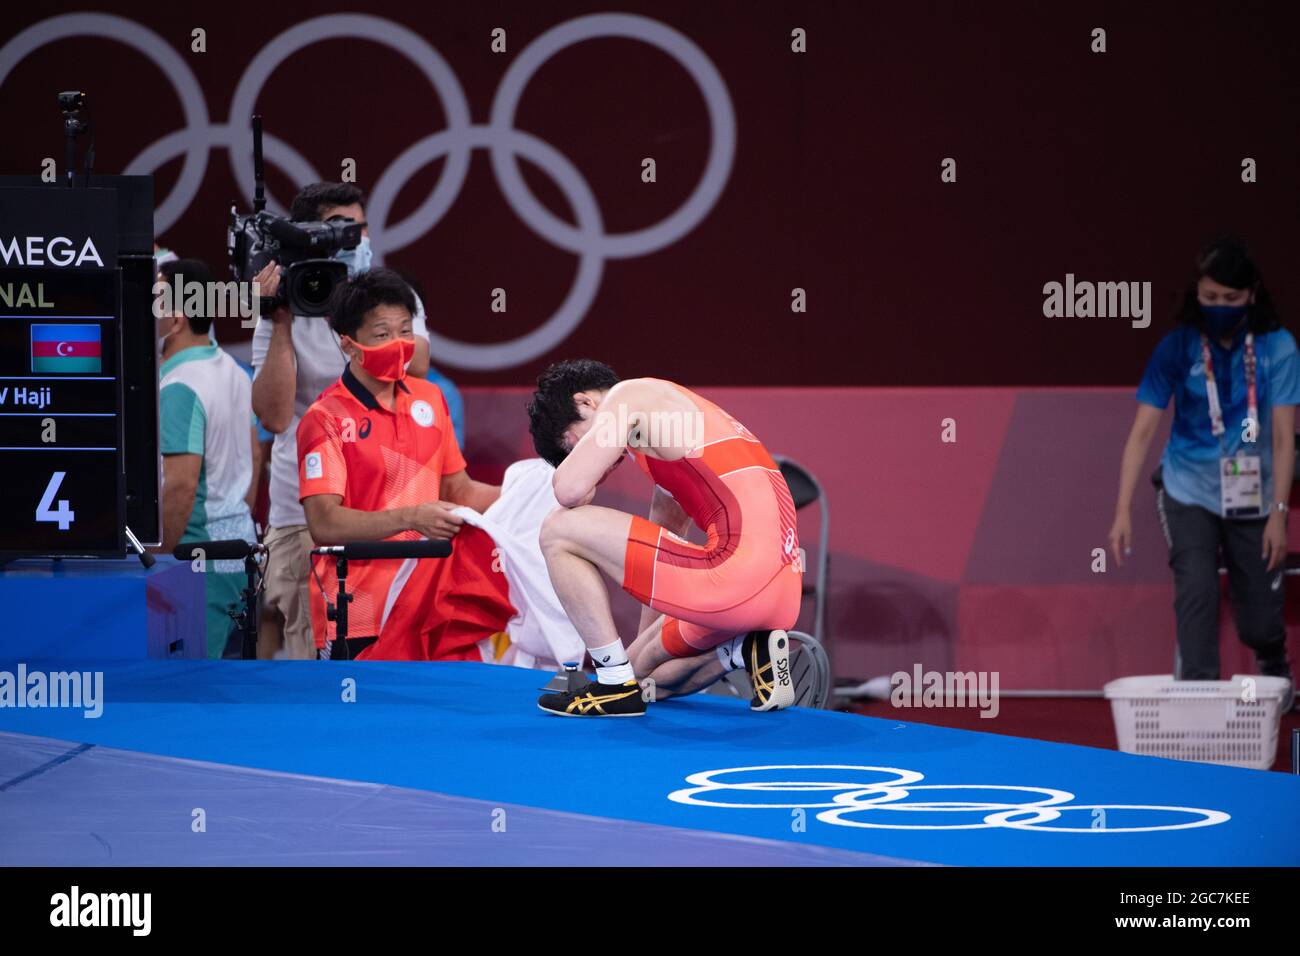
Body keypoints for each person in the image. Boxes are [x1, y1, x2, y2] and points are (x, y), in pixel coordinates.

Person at [526, 360, 803, 717]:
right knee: (644, 679)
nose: (602, 462)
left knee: (557, 528)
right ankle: (744, 651)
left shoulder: (630, 395)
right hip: (779, 593)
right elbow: (667, 537)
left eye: (575, 445)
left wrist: (583, 486)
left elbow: (569, 490)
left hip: (737, 580)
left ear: (584, 403)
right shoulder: (670, 424)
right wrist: (641, 656)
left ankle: (612, 683)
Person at [1109, 236, 1298, 698]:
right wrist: (1121, 509)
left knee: (1258, 619)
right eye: (1210, 297)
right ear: (1197, 293)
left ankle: (1273, 657)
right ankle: (1199, 702)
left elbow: (1281, 436)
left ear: (1252, 294)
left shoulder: (1278, 348)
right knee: (1196, 591)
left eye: (1230, 299)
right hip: (1186, 489)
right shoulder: (1177, 349)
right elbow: (1141, 433)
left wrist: (1278, 513)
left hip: (1254, 492)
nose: (1219, 307)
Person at [251, 182, 432, 659]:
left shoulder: (392, 297)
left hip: (385, 512)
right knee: (310, 662)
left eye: (359, 229)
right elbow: (272, 415)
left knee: (380, 660)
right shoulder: (284, 298)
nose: (352, 238)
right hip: (304, 515)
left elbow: (416, 372)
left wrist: (367, 310)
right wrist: (281, 320)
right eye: (337, 229)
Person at [296, 268, 499, 660]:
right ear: (349, 344)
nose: (399, 343)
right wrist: (412, 517)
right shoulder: (325, 418)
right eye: (382, 334)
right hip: (360, 611)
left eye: (405, 330)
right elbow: (324, 523)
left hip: (433, 602)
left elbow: (459, 491)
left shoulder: (431, 398)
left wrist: (534, 488)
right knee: (368, 720)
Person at [156, 258, 259, 658]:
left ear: (177, 319)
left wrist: (158, 559)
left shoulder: (180, 385)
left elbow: (181, 487)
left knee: (191, 688)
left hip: (197, 561)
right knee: (226, 689)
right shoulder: (233, 370)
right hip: (239, 551)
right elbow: (254, 455)